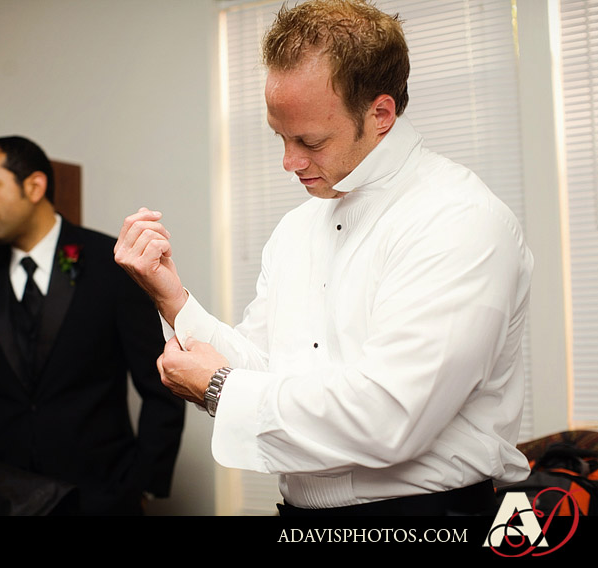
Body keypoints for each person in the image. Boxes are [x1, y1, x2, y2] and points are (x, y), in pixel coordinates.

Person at [114, 0, 533, 516]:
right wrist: (171, 298)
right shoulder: (296, 228)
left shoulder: (458, 219)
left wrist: (220, 388)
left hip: (429, 517)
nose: (289, 161)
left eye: (309, 140)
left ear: (380, 115)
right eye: (280, 136)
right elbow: (265, 369)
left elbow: (389, 419)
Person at [0, 136, 185, 515]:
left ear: (34, 186)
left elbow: (161, 382)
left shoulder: (111, 265)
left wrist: (141, 484)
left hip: (98, 496)